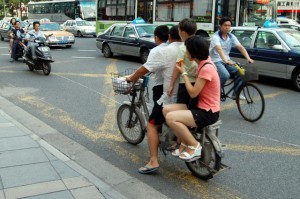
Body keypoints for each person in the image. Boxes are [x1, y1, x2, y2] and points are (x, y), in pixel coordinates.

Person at [126, 25, 182, 174]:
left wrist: (131, 78)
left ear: (169, 37)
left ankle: (153, 161)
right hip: (186, 95)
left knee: (151, 125)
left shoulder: (165, 51)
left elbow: (145, 69)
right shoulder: (189, 48)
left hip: (169, 95)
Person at [165, 36, 220, 161]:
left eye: (187, 49)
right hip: (199, 106)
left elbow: (193, 93)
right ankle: (184, 142)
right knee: (167, 110)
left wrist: (183, 73)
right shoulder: (203, 62)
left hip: (207, 112)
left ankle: (194, 145)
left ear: (194, 52)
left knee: (170, 118)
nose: (186, 52)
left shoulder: (206, 68)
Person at [209, 17, 254, 99]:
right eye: (225, 25)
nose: (227, 27)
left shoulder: (231, 36)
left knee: (241, 72)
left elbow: (240, 47)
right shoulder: (215, 36)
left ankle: (236, 94)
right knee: (225, 75)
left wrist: (248, 58)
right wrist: (226, 61)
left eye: (229, 26)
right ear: (220, 26)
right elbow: (219, 49)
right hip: (215, 60)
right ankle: (215, 92)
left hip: (226, 60)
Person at [166, 18, 198, 111]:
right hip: (198, 81)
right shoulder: (199, 44)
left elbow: (178, 66)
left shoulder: (183, 47)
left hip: (185, 83)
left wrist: (171, 84)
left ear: (183, 33)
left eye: (179, 31)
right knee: (193, 107)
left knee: (182, 108)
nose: (178, 33)